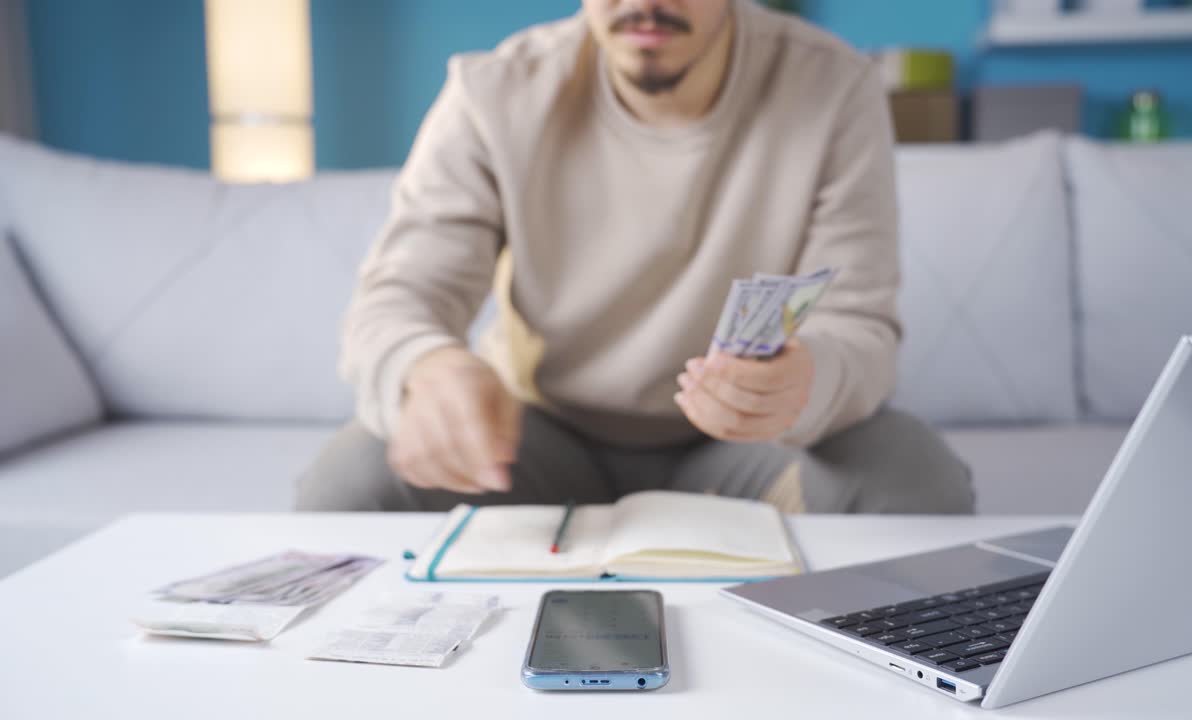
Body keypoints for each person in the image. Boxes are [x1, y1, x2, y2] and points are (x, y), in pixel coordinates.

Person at [297, 0, 974, 514]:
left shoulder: (833, 88)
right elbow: (397, 298)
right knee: (350, 480)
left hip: (746, 446)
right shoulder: (491, 93)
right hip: (534, 438)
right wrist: (426, 367)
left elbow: (861, 324)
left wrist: (809, 381)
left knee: (915, 474)